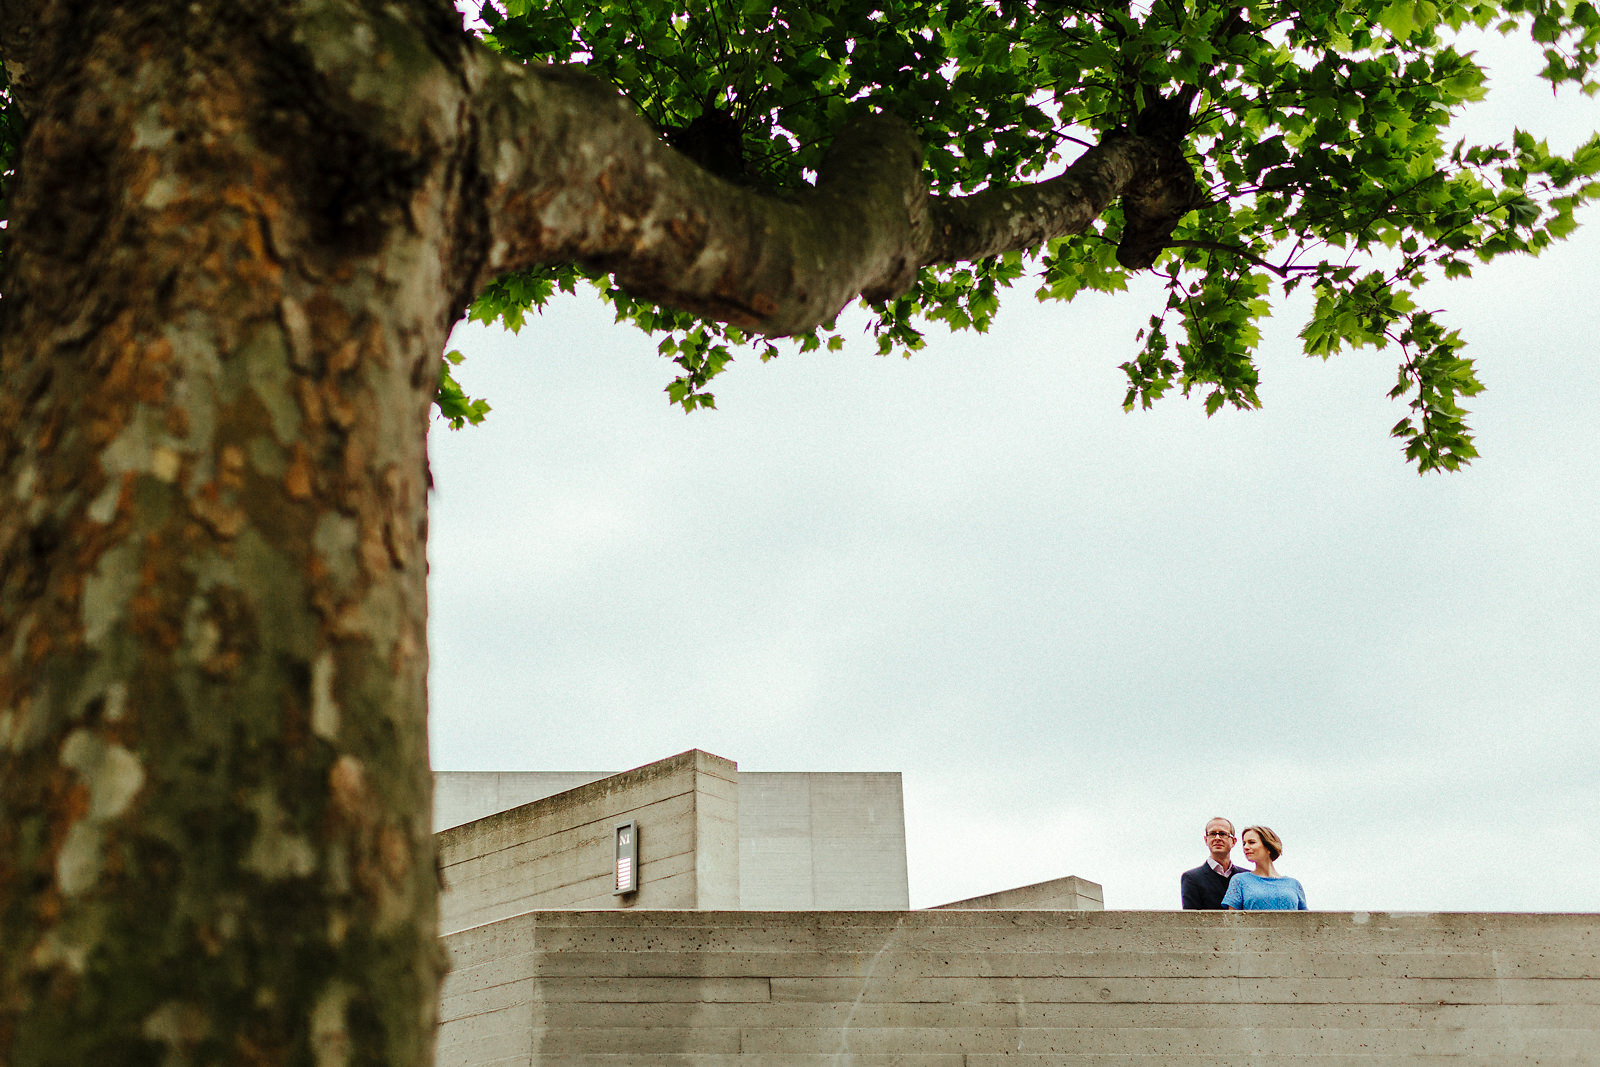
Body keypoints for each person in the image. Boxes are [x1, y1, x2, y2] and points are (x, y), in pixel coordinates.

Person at [1221, 825, 1307, 910]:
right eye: (1244, 843)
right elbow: (1232, 920)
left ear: (1268, 847)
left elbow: (1305, 919)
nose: (1246, 847)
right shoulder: (1239, 881)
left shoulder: (1294, 884)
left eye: (1251, 842)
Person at [1180, 817, 1244, 909]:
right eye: (1212, 834)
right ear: (1206, 840)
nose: (1217, 838)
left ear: (1233, 841)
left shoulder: (1246, 877)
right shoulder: (1192, 878)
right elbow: (1190, 919)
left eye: (1222, 834)